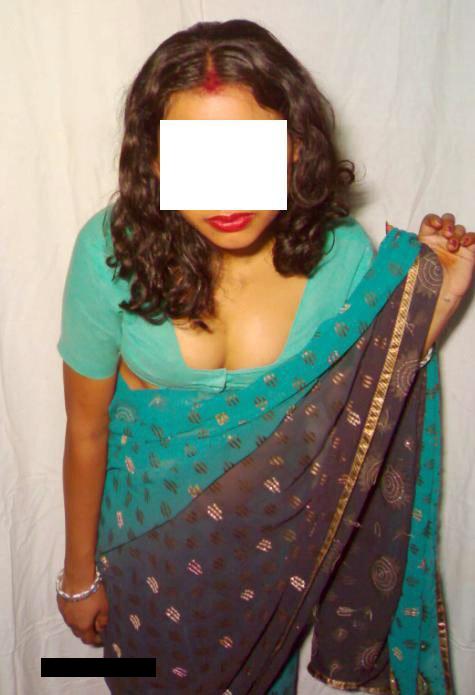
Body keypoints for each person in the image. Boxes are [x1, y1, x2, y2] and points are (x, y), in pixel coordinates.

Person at [55, 19, 474, 695]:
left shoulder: (340, 253)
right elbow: (86, 428)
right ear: (155, 162)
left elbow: (354, 406)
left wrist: (432, 303)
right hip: (144, 555)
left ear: (295, 148)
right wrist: (78, 576)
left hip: (271, 568)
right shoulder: (109, 253)